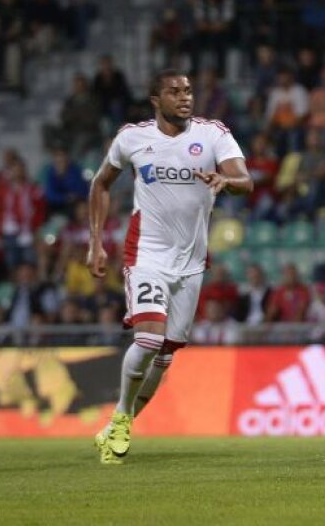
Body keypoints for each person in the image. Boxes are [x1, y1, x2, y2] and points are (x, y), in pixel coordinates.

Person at [87, 70, 252, 464]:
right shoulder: (132, 138)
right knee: (148, 339)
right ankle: (122, 416)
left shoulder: (213, 134)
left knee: (164, 355)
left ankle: (117, 424)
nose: (185, 98)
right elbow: (100, 184)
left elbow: (245, 179)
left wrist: (226, 180)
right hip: (147, 254)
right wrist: (95, 241)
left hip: (192, 262)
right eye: (174, 92)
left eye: (189, 91)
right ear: (155, 100)